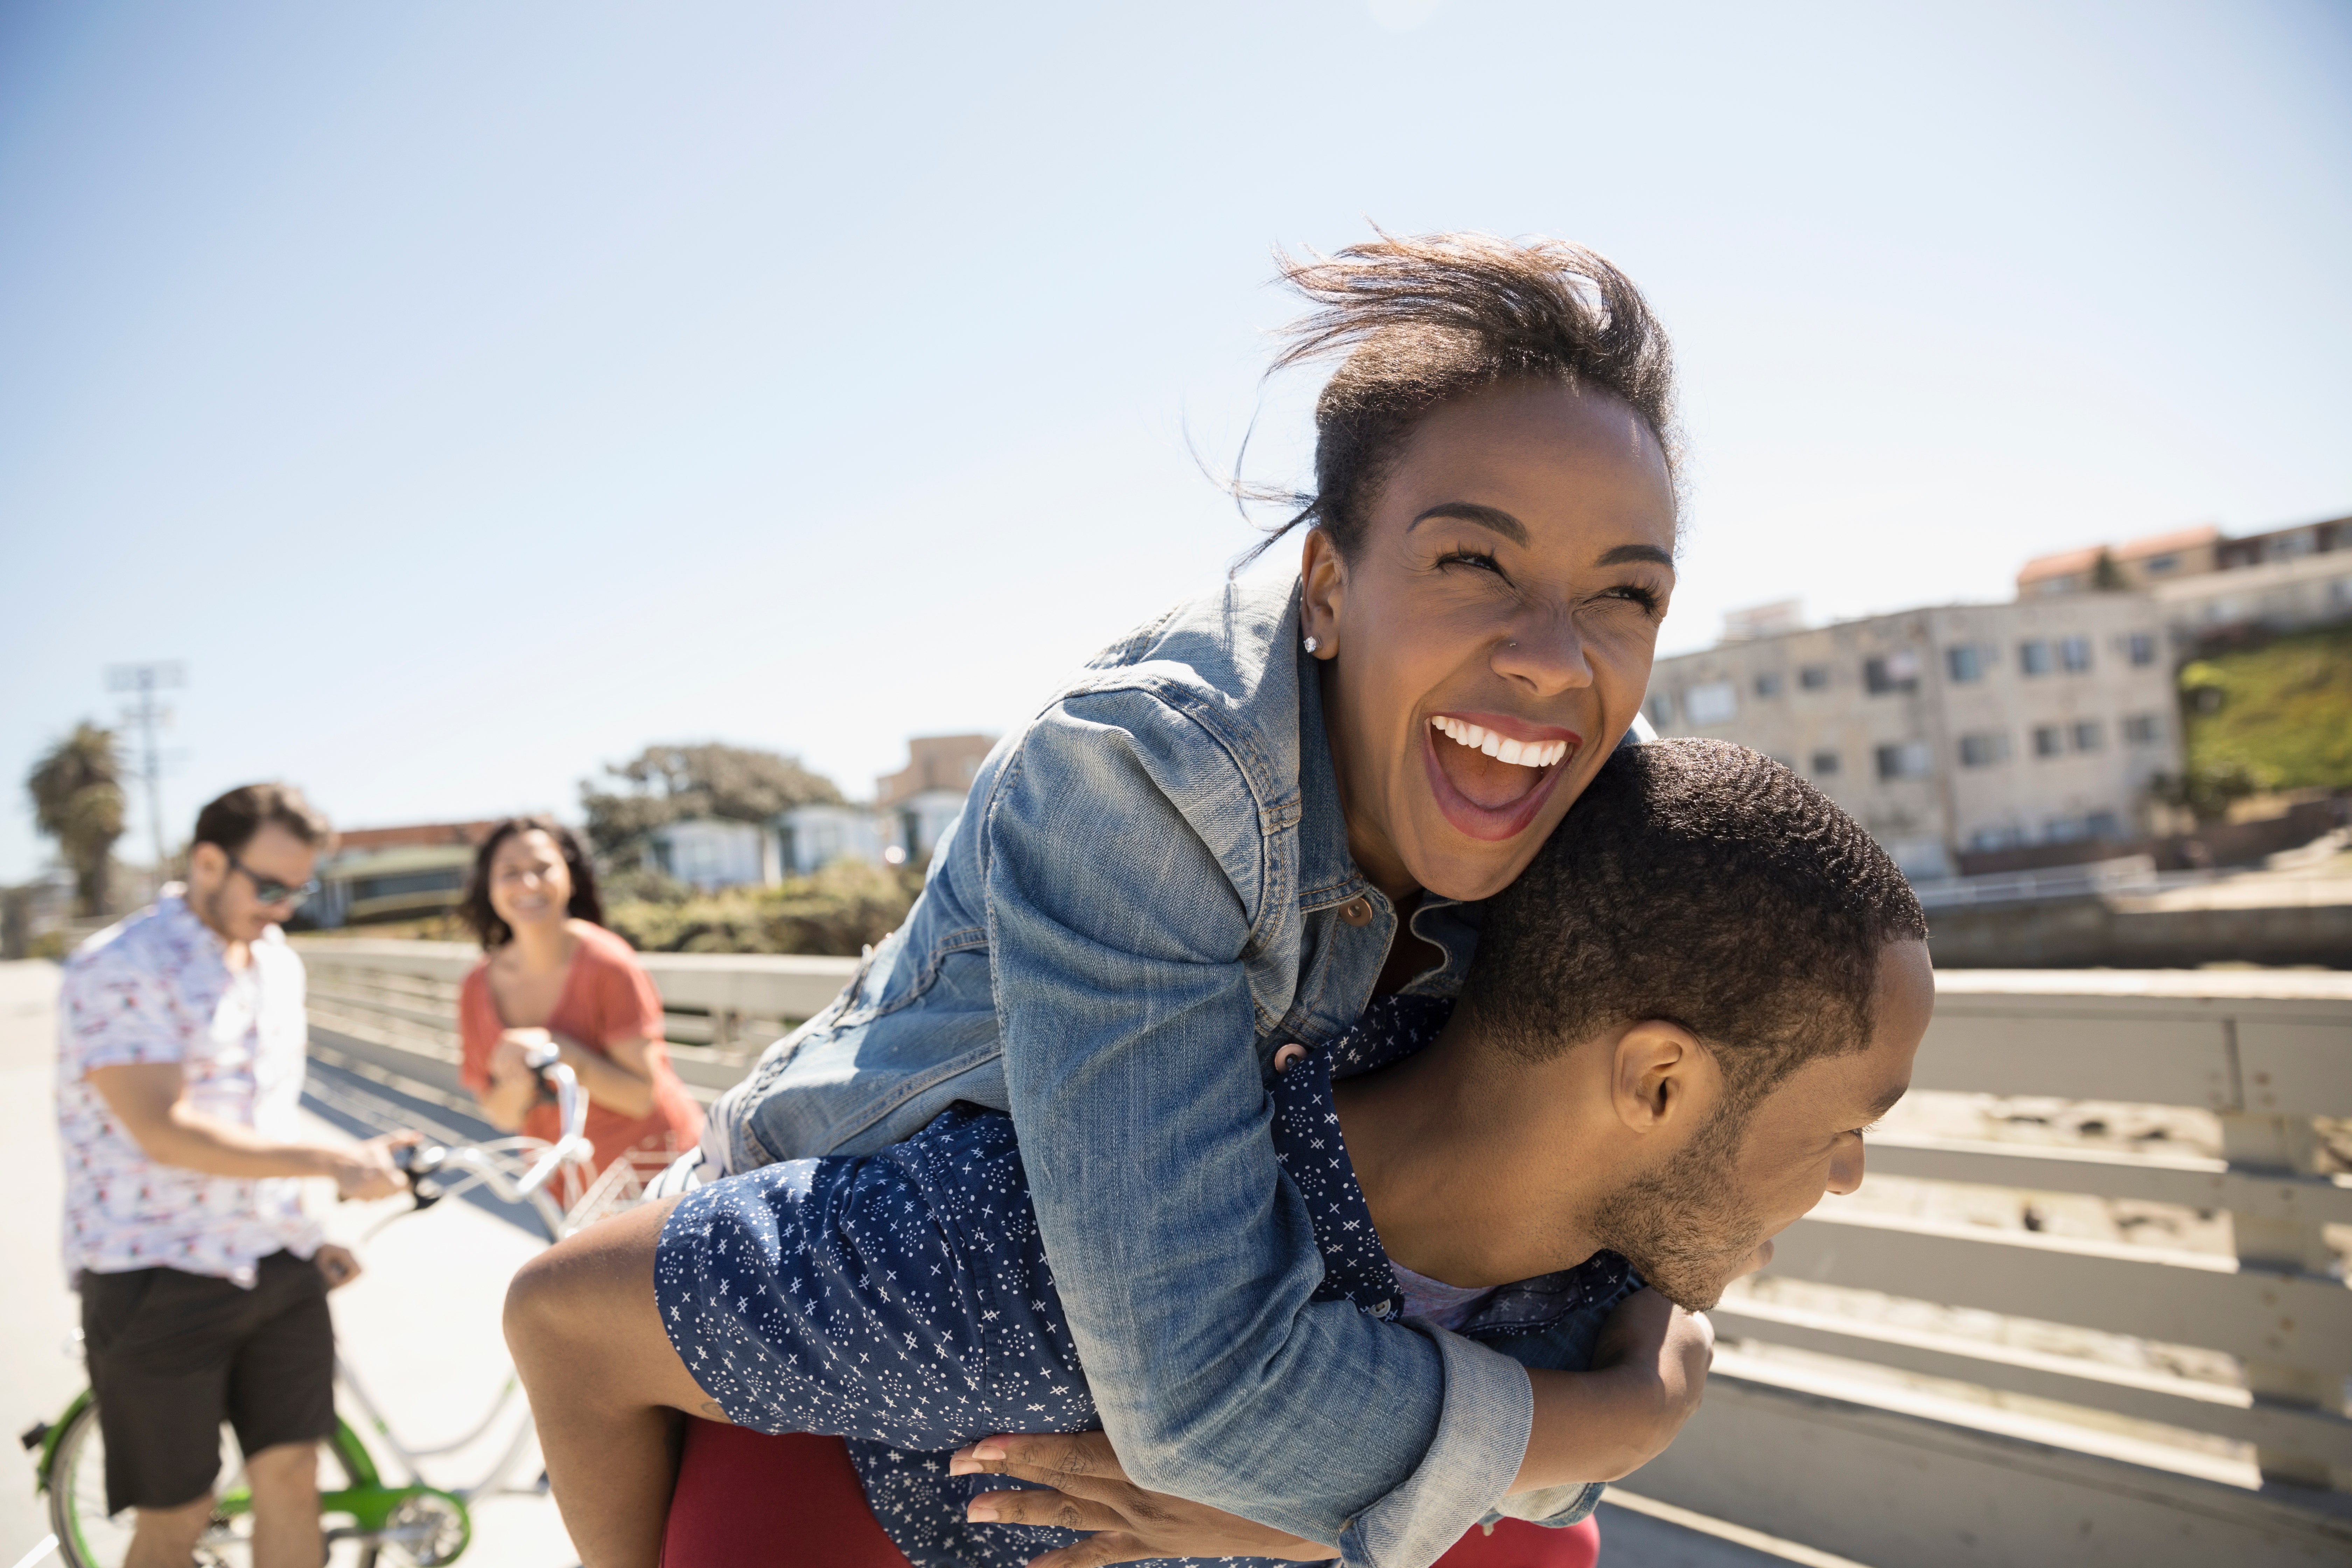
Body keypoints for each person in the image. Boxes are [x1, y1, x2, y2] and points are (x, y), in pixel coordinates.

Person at [519, 229, 1689, 1568]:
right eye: (1469, 562)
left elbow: (1686, 1199)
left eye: (1624, 591)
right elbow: (1204, 1403)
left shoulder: (1618, 823)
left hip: (1159, 1397)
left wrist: (1607, 1374)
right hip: (860, 1331)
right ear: (1325, 585)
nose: (1551, 658)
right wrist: (1621, 1411)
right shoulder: (1146, 776)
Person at [508, 740, 1936, 1568]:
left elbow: (1671, 1309)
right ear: (1660, 1079)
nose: (1852, 1175)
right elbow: (563, 1316)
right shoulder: (1047, 1261)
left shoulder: (1587, 1247)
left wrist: (1328, 1508)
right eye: (1844, 1128)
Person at [58, 783, 415, 1568]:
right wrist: (331, 1163)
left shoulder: (277, 964)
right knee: (177, 1515)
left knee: (293, 1478)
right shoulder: (117, 966)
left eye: (301, 888)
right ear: (208, 861)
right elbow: (164, 1128)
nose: (285, 906)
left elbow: (264, 1121)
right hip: (155, 1273)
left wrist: (313, 1220)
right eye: (271, 885)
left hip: (275, 1261)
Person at [456, 816, 702, 1197]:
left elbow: (640, 1096)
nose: (528, 883)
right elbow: (501, 1114)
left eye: (543, 868)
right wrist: (524, 1077)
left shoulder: (609, 963)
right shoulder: (476, 987)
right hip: (567, 1192)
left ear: (570, 877)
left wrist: (554, 1048)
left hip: (659, 1181)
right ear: (489, 885)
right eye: (510, 872)